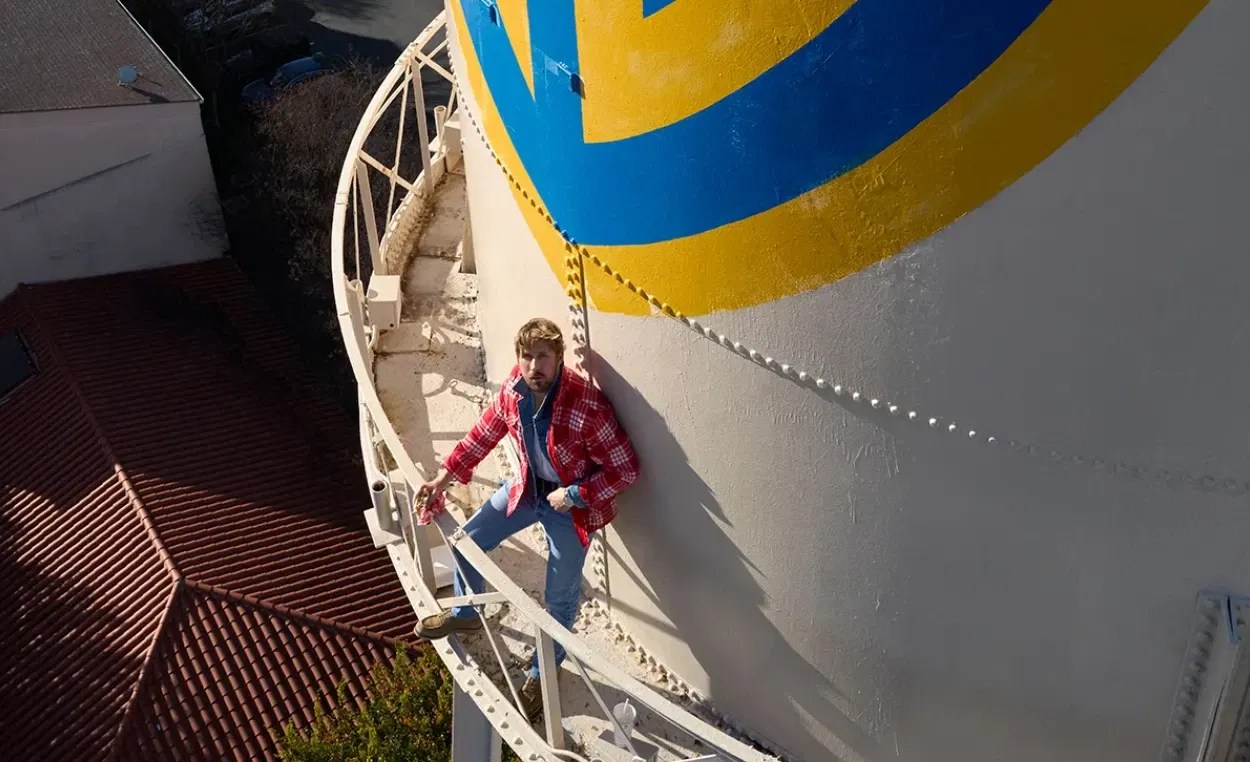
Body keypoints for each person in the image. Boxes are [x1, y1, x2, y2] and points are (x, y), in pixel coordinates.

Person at [413, 317, 640, 722]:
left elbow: (625, 470)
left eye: (543, 357)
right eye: (526, 356)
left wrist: (573, 495)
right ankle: (467, 614)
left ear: (559, 359)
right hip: (526, 489)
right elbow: (481, 437)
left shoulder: (585, 405)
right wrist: (442, 478)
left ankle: (543, 671)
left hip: (568, 508)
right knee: (466, 541)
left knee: (560, 596)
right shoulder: (514, 391)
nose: (533, 365)